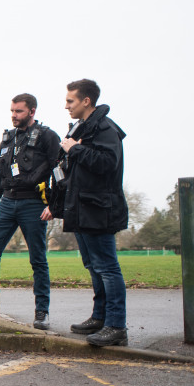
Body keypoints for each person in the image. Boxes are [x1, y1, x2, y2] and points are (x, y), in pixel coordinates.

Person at [0, 94, 60, 330]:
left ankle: (42, 311)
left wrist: (54, 204)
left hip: (34, 204)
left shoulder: (48, 136)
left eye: (18, 111)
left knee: (38, 259)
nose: (14, 115)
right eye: (12, 111)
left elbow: (59, 171)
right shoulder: (8, 137)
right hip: (7, 202)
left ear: (32, 111)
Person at [60, 79, 129, 346]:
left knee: (108, 268)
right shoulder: (84, 128)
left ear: (86, 101)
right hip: (82, 209)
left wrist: (74, 149)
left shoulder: (105, 128)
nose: (66, 106)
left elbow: (107, 164)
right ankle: (100, 317)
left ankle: (116, 326)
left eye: (70, 101)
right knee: (94, 266)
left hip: (99, 210)